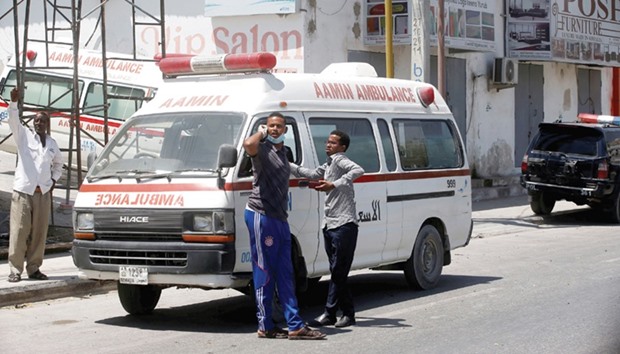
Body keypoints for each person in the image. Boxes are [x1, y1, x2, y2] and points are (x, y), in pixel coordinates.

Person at [243, 112, 326, 340]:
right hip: (261, 215)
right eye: (271, 126)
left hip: (279, 218)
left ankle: (295, 325)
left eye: (279, 126)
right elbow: (247, 144)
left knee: (286, 273)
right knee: (264, 272)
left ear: (286, 130)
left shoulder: (283, 153)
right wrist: (260, 132)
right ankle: (265, 325)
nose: (275, 129)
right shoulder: (261, 149)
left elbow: (294, 170)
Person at [290, 130, 364, 328]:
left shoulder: (340, 160)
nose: (328, 145)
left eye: (333, 142)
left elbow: (358, 170)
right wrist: (286, 163)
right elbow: (312, 174)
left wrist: (335, 184)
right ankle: (341, 314)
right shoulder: (329, 164)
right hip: (329, 224)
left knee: (339, 271)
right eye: (327, 141)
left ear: (342, 147)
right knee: (336, 271)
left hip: (344, 224)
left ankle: (334, 313)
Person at [7, 87, 63, 283]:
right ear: (33, 123)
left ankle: (34, 268)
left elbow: (59, 164)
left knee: (39, 233)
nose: (39, 123)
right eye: (37, 120)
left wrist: (53, 181)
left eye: (43, 121)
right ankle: (15, 270)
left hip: (43, 194)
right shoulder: (24, 136)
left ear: (47, 125)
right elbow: (13, 121)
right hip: (23, 192)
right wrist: (13, 103)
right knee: (20, 231)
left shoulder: (52, 143)